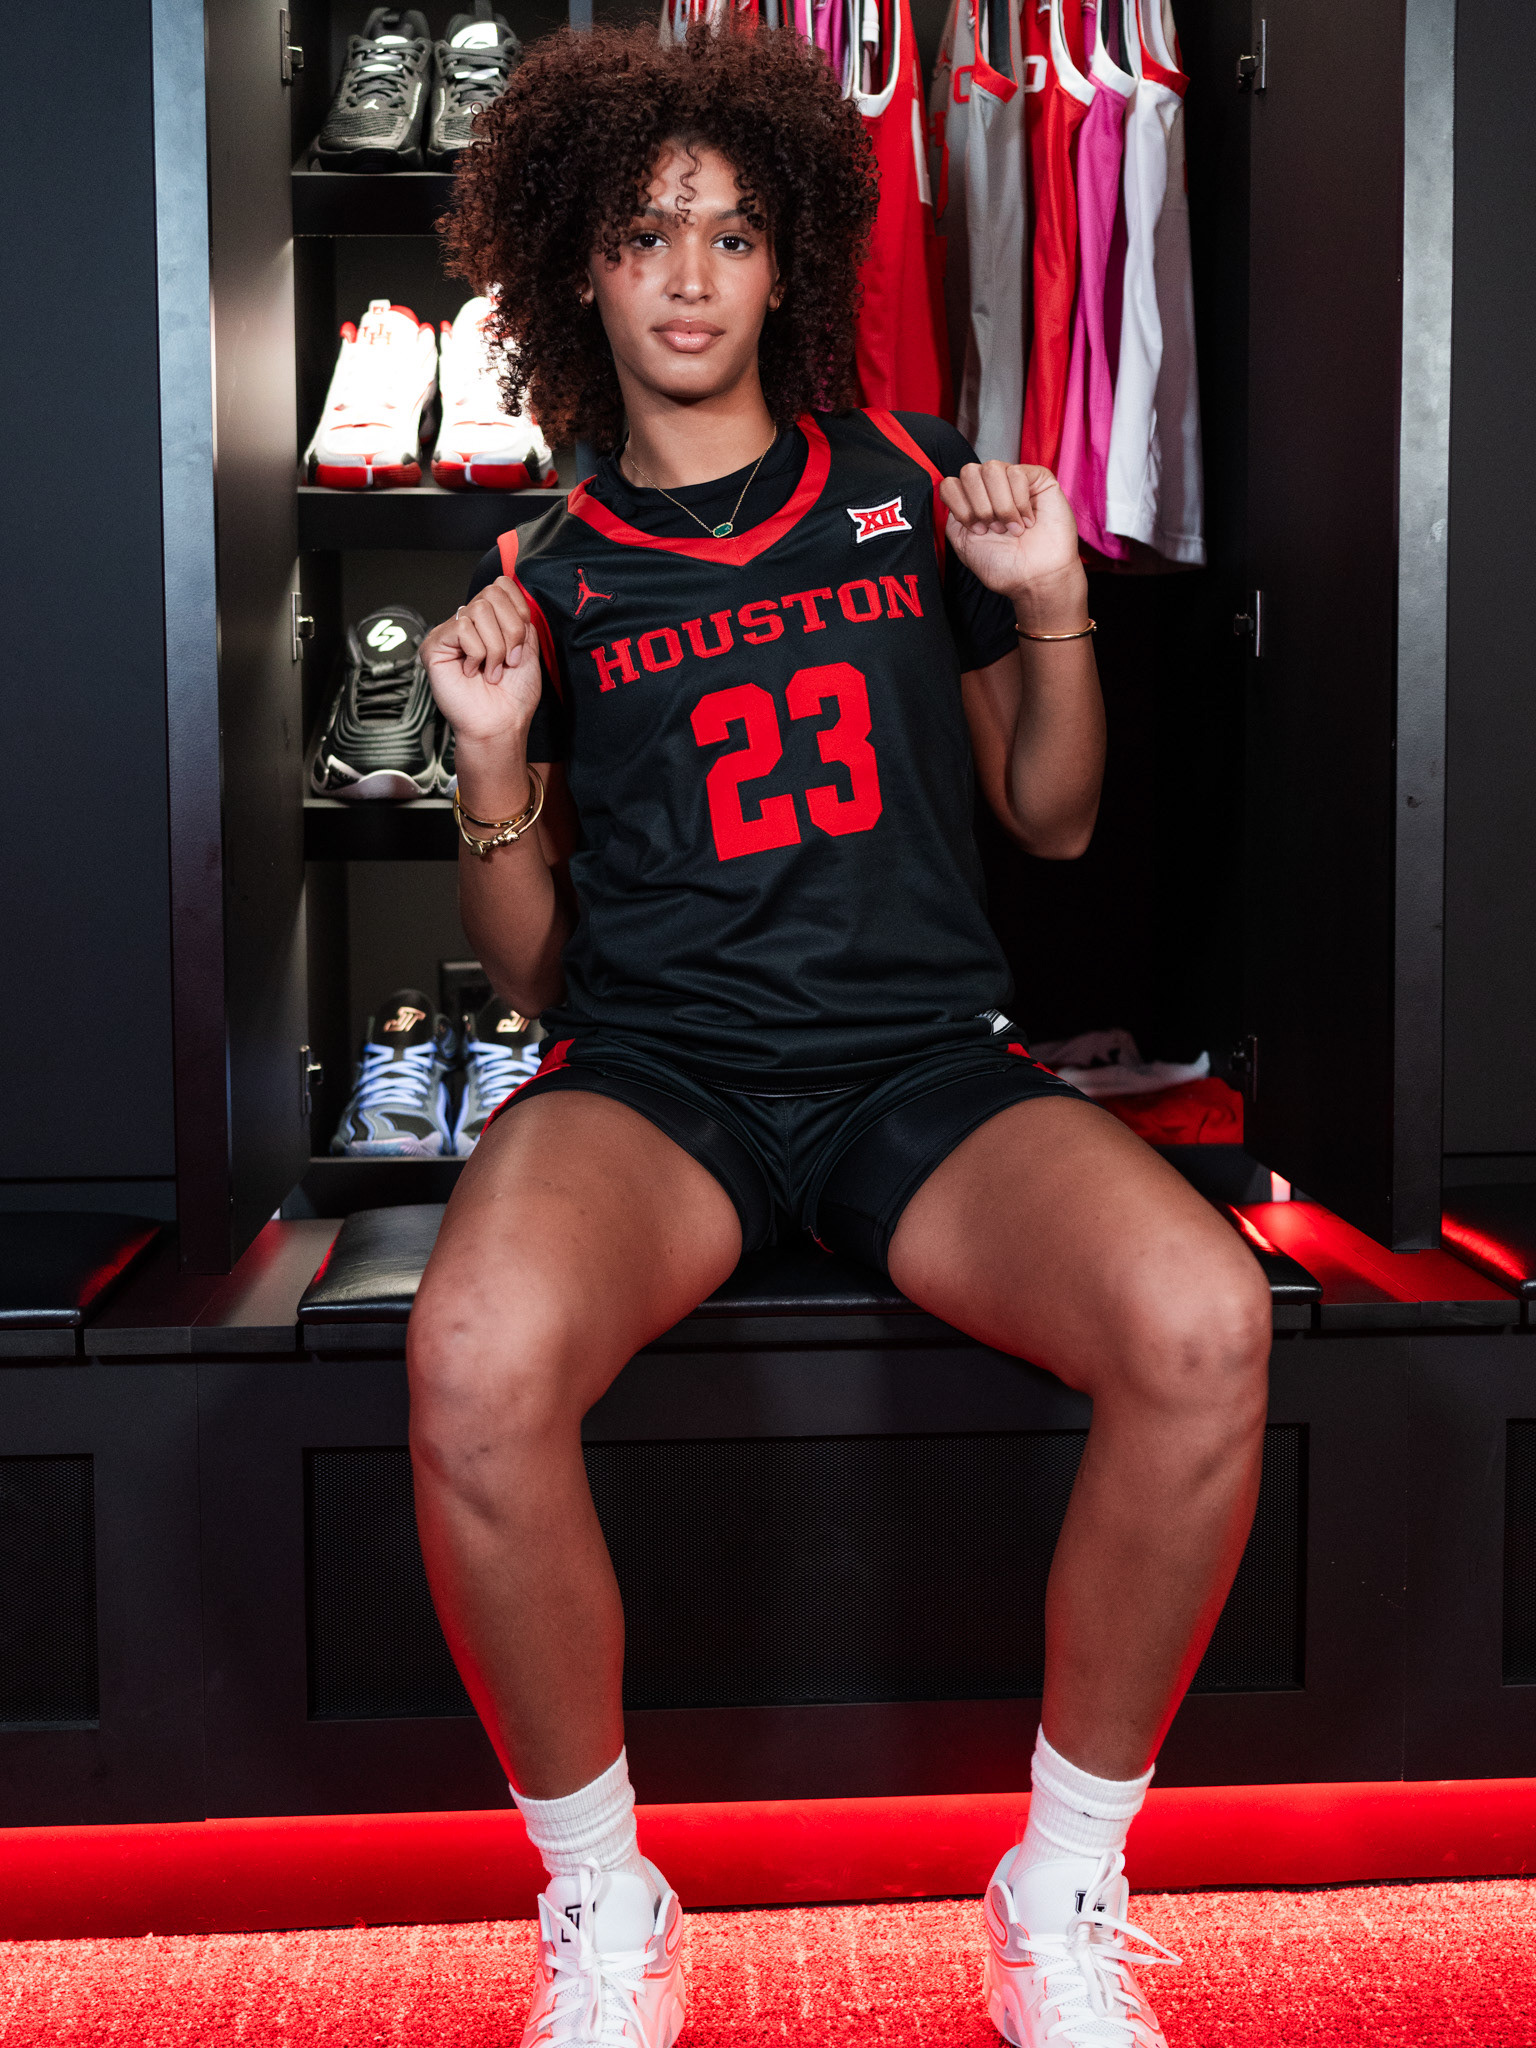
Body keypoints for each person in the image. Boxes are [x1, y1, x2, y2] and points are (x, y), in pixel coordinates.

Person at [409, 22, 1270, 2048]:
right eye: (646, 235)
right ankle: (605, 1901)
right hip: (662, 1083)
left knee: (1206, 1321)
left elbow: (1054, 815)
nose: (689, 276)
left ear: (788, 258)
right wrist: (492, 761)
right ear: (580, 270)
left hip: (920, 1071)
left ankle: (1060, 1889)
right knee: (471, 1359)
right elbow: (529, 975)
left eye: (730, 233)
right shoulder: (541, 570)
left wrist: (1047, 603)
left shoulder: (901, 481)